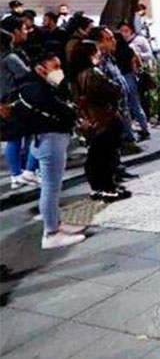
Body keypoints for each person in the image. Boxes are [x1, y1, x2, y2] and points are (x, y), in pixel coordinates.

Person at [15, 51, 86, 248]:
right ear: (40, 69)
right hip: (49, 139)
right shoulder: (37, 90)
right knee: (50, 188)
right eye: (54, 67)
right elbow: (60, 111)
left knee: (52, 187)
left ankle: (56, 224)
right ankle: (51, 233)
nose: (59, 71)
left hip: (47, 139)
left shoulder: (40, 86)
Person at [70, 41, 131, 202]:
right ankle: (108, 188)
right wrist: (113, 86)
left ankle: (98, 188)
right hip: (104, 118)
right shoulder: (93, 74)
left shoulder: (75, 76)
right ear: (90, 55)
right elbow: (112, 91)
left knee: (95, 156)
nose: (99, 54)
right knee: (106, 155)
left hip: (90, 121)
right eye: (96, 51)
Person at [1, 17, 40, 189]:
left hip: (4, 101)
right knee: (17, 137)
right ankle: (18, 174)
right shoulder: (10, 58)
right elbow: (26, 75)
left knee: (14, 137)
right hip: (15, 100)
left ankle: (19, 173)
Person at [116, 22, 152, 141]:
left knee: (125, 107)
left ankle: (128, 132)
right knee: (136, 104)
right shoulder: (129, 50)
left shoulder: (114, 53)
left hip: (122, 77)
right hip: (130, 77)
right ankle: (145, 128)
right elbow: (136, 64)